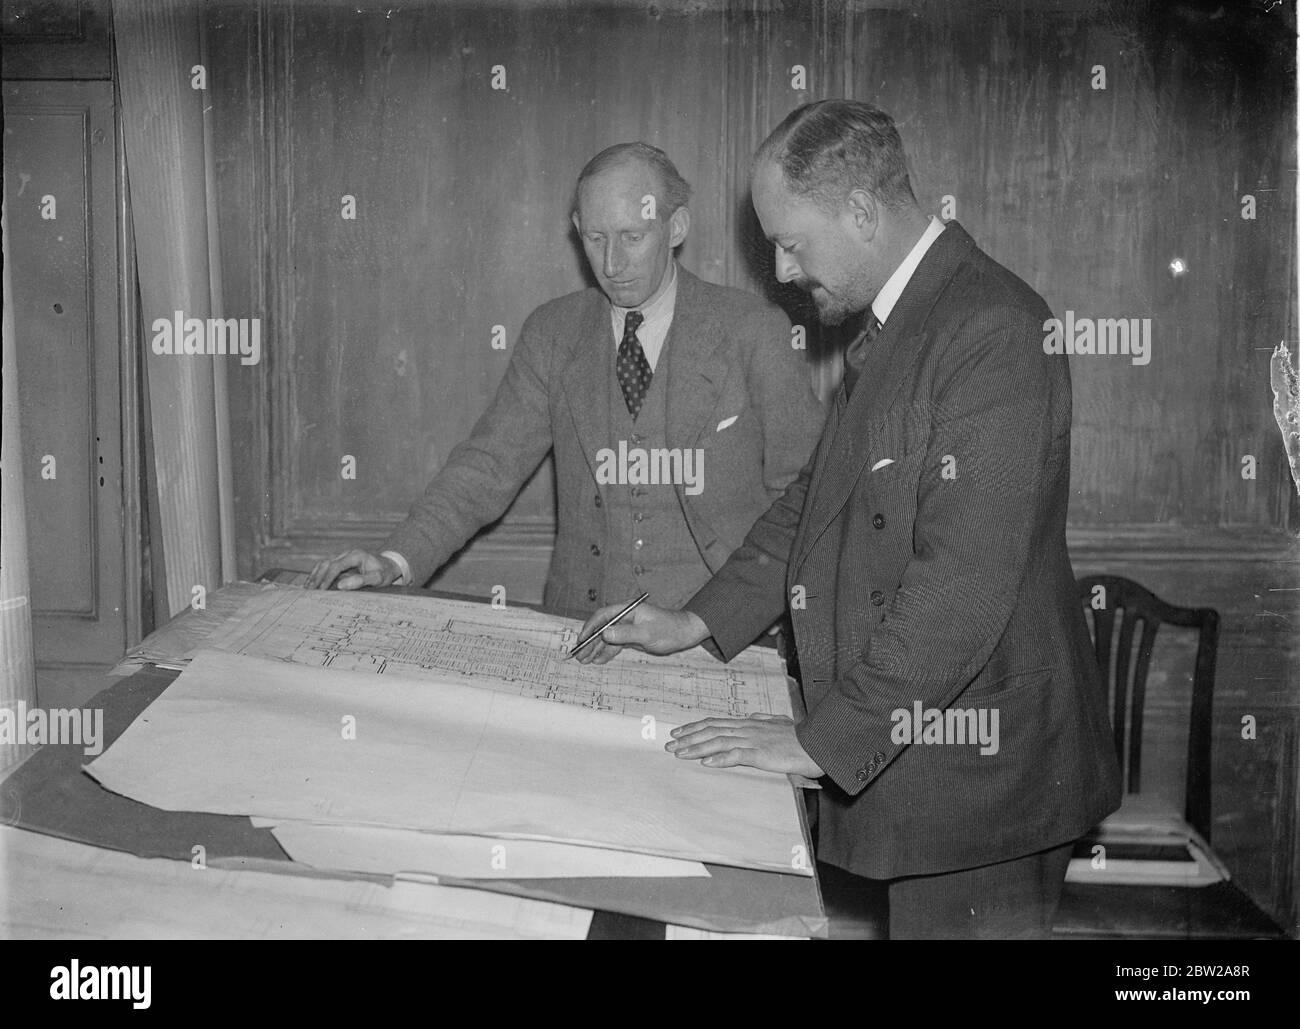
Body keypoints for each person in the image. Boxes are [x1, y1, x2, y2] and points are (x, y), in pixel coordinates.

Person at [575, 102, 1121, 939]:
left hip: (981, 785)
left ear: (862, 213)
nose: (785, 272)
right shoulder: (901, 324)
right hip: (931, 755)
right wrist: (696, 620)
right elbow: (814, 502)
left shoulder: (996, 328)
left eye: (791, 243)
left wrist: (819, 742)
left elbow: (962, 586)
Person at [307, 142, 825, 613]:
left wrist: (726, 617)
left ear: (676, 227)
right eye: (595, 238)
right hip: (578, 628)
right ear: (578, 229)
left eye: (632, 237)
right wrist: (396, 559)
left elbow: (802, 499)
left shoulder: (754, 331)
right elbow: (488, 466)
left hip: (715, 636)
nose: (612, 262)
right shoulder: (552, 333)